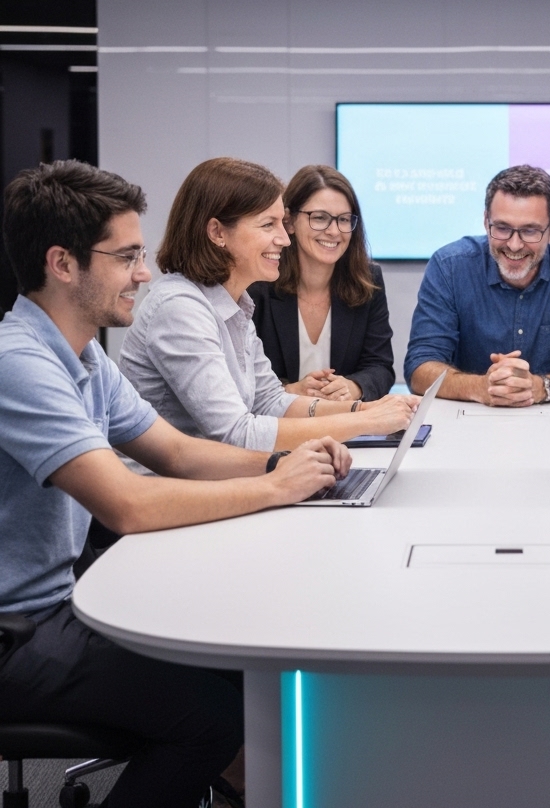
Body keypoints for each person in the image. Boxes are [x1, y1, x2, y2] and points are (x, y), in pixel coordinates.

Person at [0, 160, 351, 808]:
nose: (142, 272)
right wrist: (277, 487)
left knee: (239, 663)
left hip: (62, 602)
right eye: (126, 256)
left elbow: (181, 454)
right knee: (212, 718)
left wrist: (285, 467)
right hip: (16, 633)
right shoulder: (19, 363)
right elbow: (128, 503)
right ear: (62, 263)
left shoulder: (80, 356)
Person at [120, 158, 417, 451]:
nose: (284, 239)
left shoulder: (235, 303)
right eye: (268, 224)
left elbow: (270, 401)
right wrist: (367, 421)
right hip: (173, 491)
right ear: (217, 233)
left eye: (281, 223)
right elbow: (237, 432)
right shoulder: (179, 308)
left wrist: (365, 410)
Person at [404, 164, 550, 405]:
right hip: (470, 417)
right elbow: (419, 369)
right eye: (502, 228)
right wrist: (480, 387)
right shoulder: (449, 266)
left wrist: (542, 387)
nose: (514, 245)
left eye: (530, 231)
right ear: (486, 222)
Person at [250, 165, 395, 403]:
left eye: (344, 220)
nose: (334, 231)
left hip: (342, 425)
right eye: (319, 218)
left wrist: (353, 387)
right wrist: (290, 392)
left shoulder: (368, 281)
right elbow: (240, 380)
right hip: (277, 427)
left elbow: (380, 367)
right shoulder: (259, 285)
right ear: (290, 222)